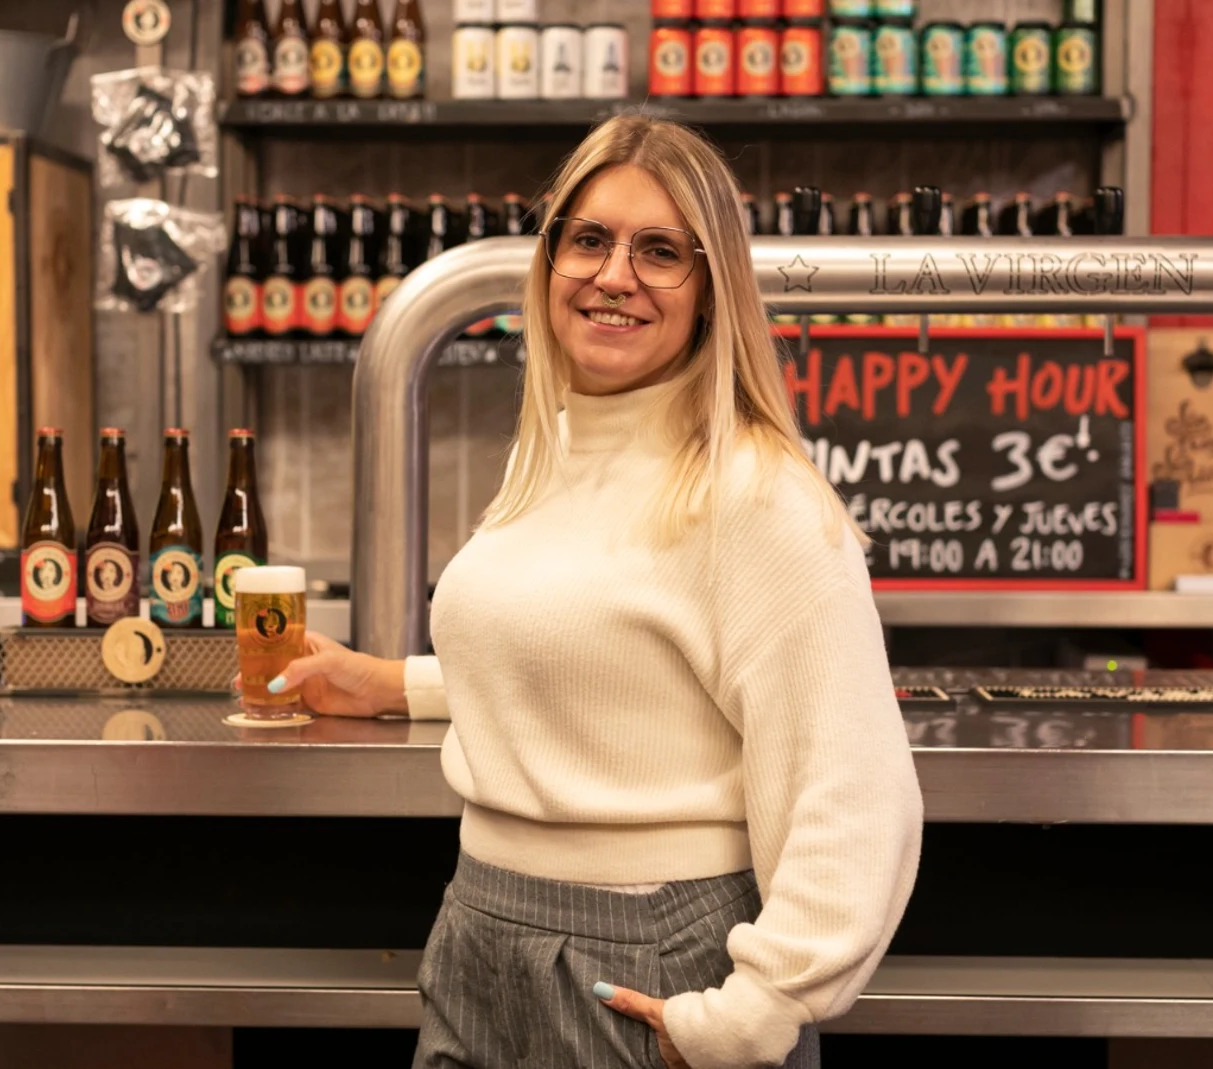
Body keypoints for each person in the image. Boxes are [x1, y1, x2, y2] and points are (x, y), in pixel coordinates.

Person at [269, 113, 923, 1069]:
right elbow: (600, 659)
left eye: (661, 251)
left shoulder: (756, 491)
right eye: (589, 239)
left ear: (711, 292)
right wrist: (392, 684)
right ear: (549, 263)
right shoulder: (556, 450)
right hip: (482, 926)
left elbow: (856, 785)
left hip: (651, 954)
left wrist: (758, 1011)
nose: (615, 275)